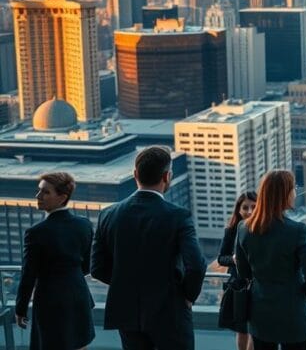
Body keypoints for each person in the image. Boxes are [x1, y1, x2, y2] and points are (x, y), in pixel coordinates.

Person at [91, 146, 205, 350]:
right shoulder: (178, 216)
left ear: (135, 174)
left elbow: (97, 267)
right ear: (166, 176)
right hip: (170, 311)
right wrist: (186, 296)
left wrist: (128, 284)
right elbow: (195, 265)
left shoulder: (108, 214)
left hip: (127, 312)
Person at [236, 170, 306, 350]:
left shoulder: (244, 228)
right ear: (285, 194)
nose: (295, 193)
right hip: (294, 313)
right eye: (293, 189)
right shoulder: (297, 230)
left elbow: (243, 272)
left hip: (260, 312)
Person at [15, 172, 95, 350]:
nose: (38, 196)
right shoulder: (84, 224)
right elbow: (87, 266)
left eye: (45, 192)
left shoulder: (36, 232)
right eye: (39, 191)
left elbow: (28, 275)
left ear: (62, 198)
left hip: (50, 301)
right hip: (79, 296)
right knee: (79, 344)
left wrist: (20, 309)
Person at [218, 191, 258, 350]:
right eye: (245, 207)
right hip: (239, 286)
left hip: (258, 286)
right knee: (242, 329)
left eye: (254, 207)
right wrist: (234, 259)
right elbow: (221, 257)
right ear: (238, 210)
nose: (249, 212)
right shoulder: (232, 230)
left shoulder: (264, 229)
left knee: (256, 330)